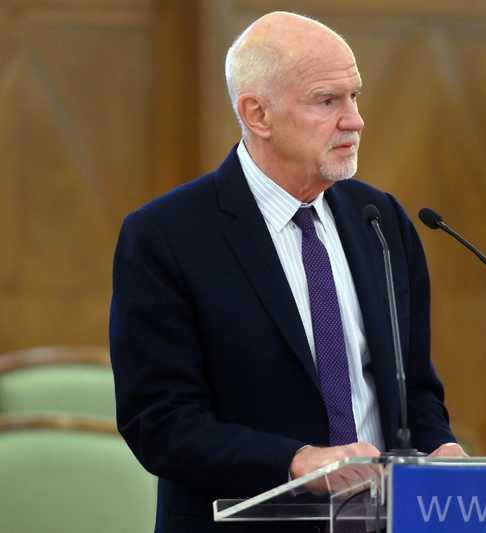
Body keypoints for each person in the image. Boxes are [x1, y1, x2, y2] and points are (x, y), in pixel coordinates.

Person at [109, 11, 466, 533]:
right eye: (327, 101)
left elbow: (415, 389)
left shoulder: (380, 220)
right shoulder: (167, 235)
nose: (355, 120)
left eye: (354, 96)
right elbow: (159, 422)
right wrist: (299, 461)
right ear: (258, 115)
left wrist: (438, 447)